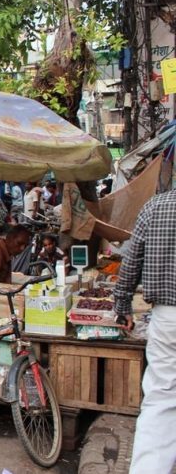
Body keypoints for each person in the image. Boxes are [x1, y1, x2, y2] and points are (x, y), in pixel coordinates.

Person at [113, 190, 176, 472]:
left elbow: (131, 260)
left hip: (167, 317)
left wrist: (123, 304)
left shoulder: (155, 206)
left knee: (161, 399)